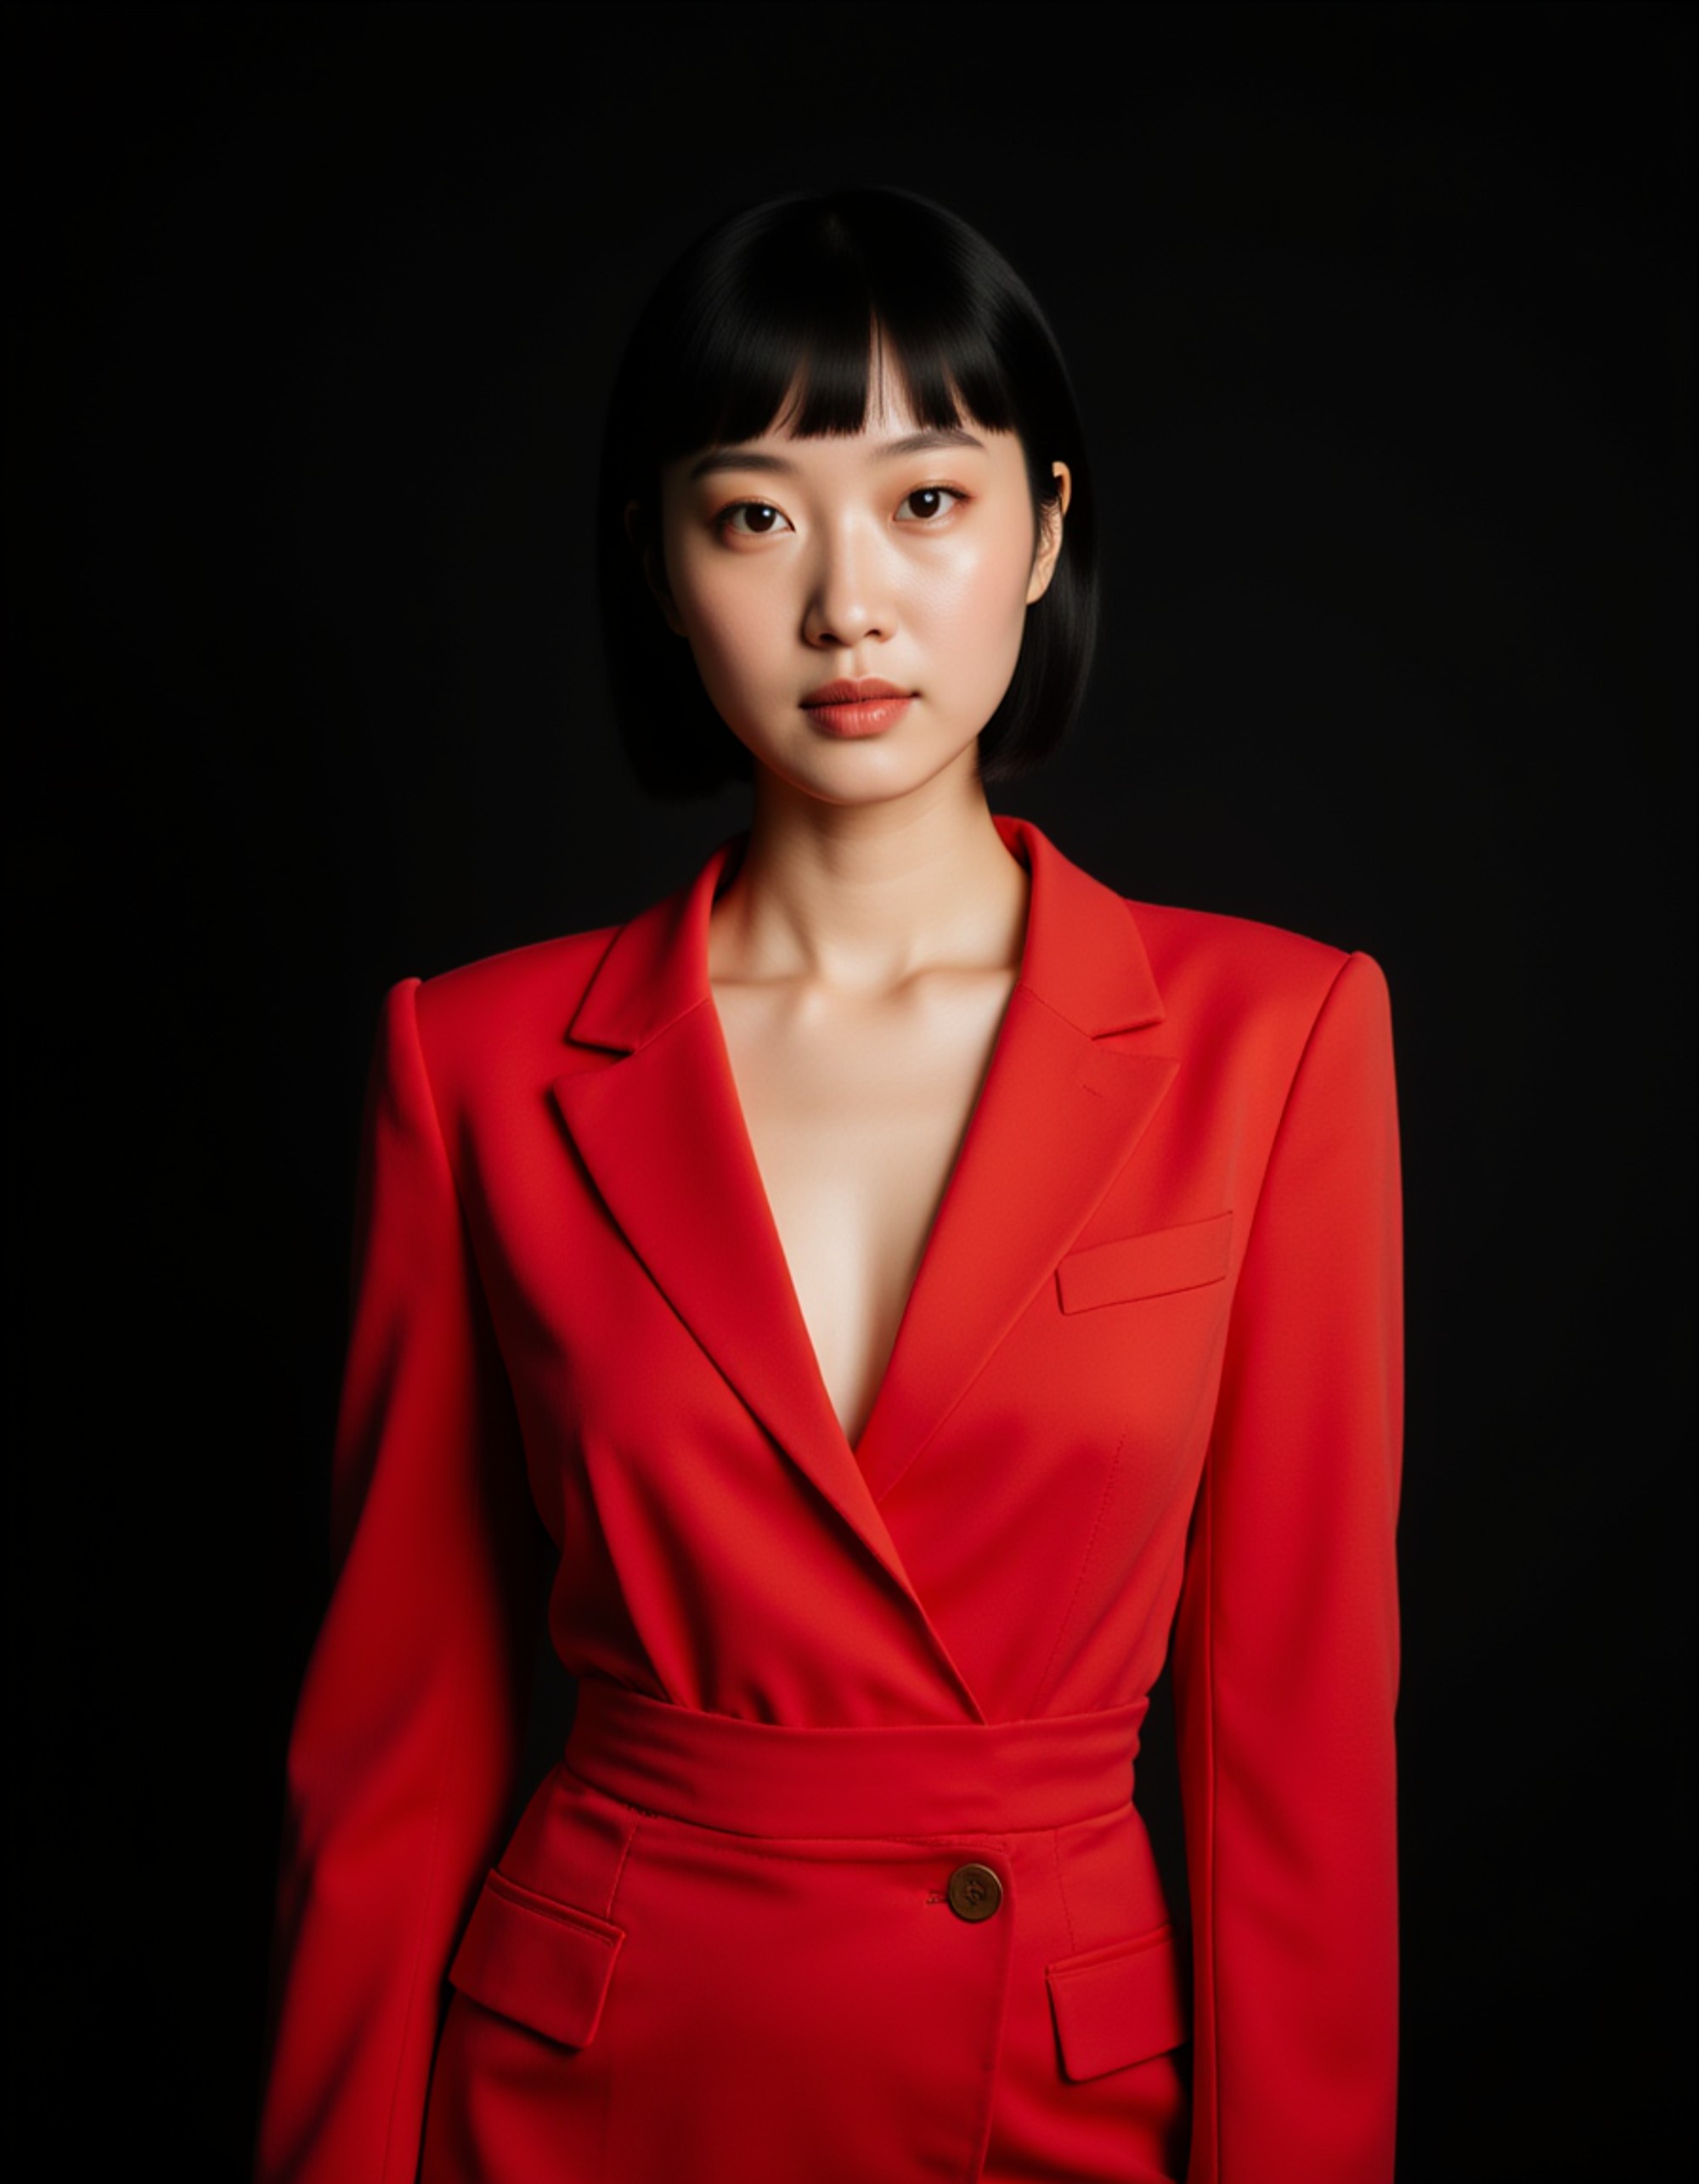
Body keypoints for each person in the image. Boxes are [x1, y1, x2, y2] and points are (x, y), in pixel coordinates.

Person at [252, 186, 1403, 2184]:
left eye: (926, 501)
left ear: (1046, 527)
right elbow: (395, 1747)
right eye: (755, 512)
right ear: (660, 566)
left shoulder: (1274, 1036)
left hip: (1060, 2104)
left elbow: (1292, 1756)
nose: (846, 604)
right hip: (580, 2095)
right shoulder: (481, 1060)